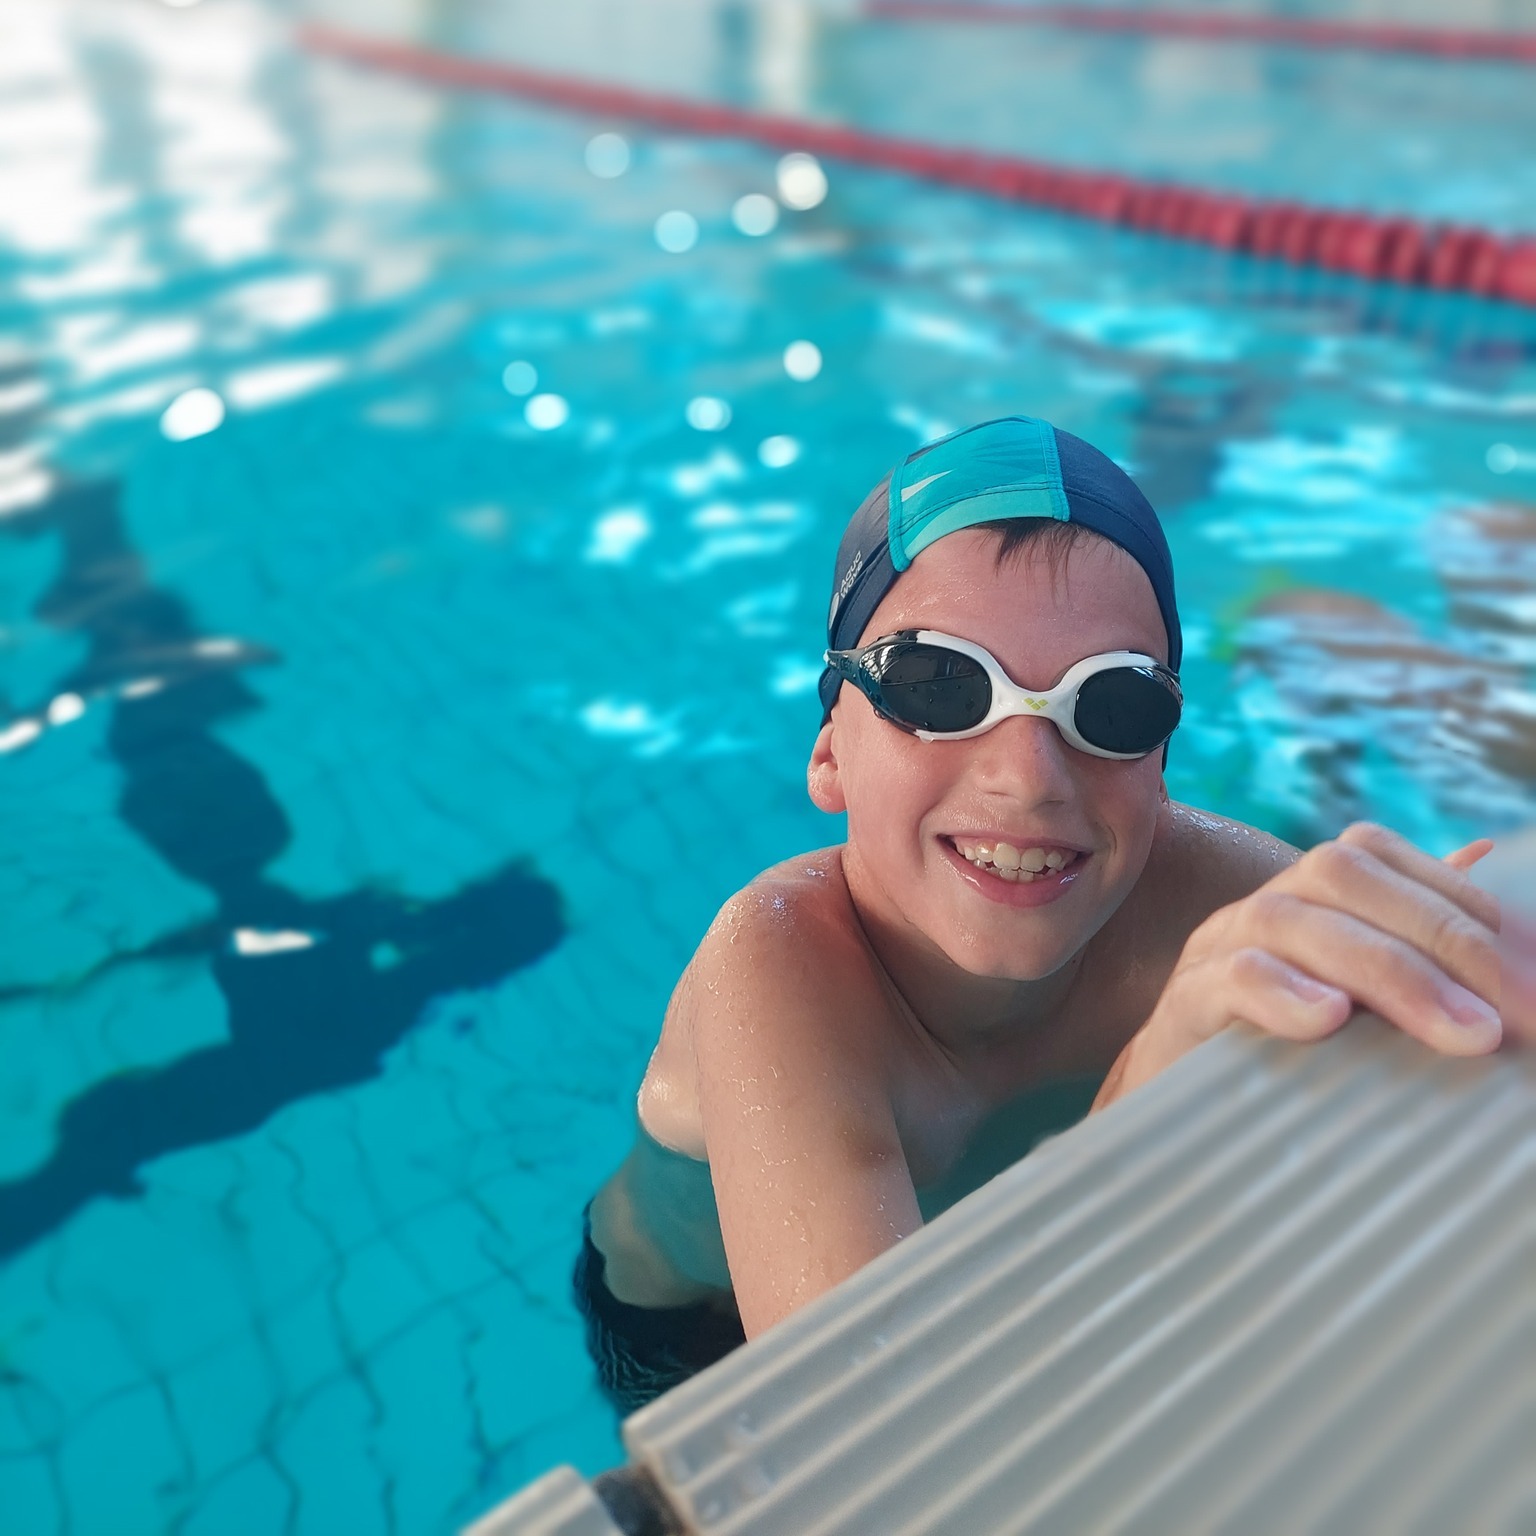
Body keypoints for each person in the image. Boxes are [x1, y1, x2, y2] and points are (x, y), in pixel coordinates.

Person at [575, 416, 1504, 1414]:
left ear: (1158, 764)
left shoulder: (1223, 899)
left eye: (1111, 705)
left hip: (1014, 1302)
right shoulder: (773, 963)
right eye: (938, 685)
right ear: (831, 748)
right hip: (706, 1336)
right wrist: (1141, 1106)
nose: (1029, 777)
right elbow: (876, 1434)